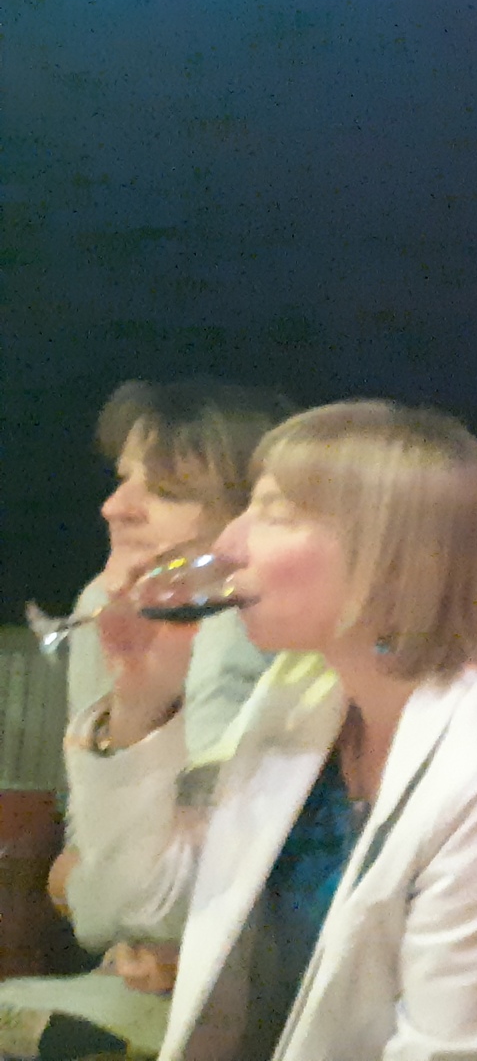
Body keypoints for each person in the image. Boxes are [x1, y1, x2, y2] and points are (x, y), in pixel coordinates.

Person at [57, 400, 477, 1061]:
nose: (229, 543)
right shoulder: (304, 696)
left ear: (389, 551)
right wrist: (140, 705)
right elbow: (140, 905)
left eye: (272, 512)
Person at [0, 379, 288, 1060]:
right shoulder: (104, 606)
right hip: (143, 980)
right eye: (122, 480)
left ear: (248, 519)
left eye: (164, 491)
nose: (114, 507)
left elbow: (229, 887)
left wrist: (144, 921)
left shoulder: (270, 636)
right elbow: (85, 877)